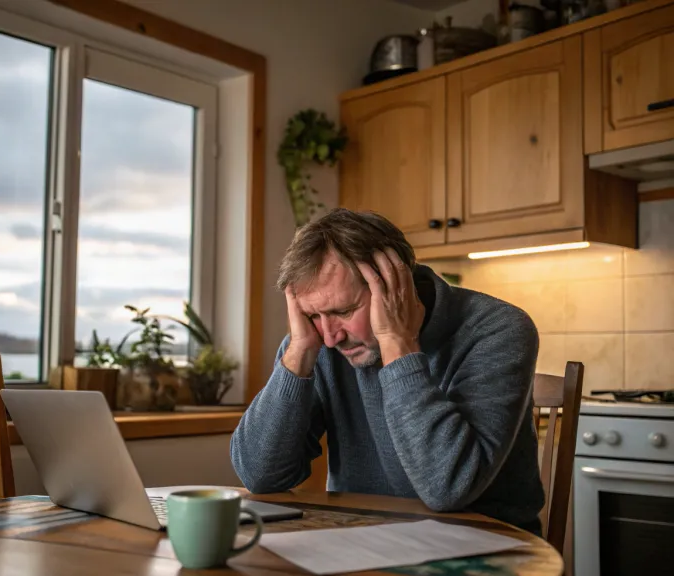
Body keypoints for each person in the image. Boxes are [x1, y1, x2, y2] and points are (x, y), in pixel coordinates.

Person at [230, 208, 545, 533]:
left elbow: (446, 489)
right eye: (313, 315)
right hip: (362, 541)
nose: (329, 335)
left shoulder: (498, 329)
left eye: (344, 310)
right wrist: (297, 354)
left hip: (486, 552)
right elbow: (259, 476)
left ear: (400, 286)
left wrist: (398, 343)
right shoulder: (315, 341)